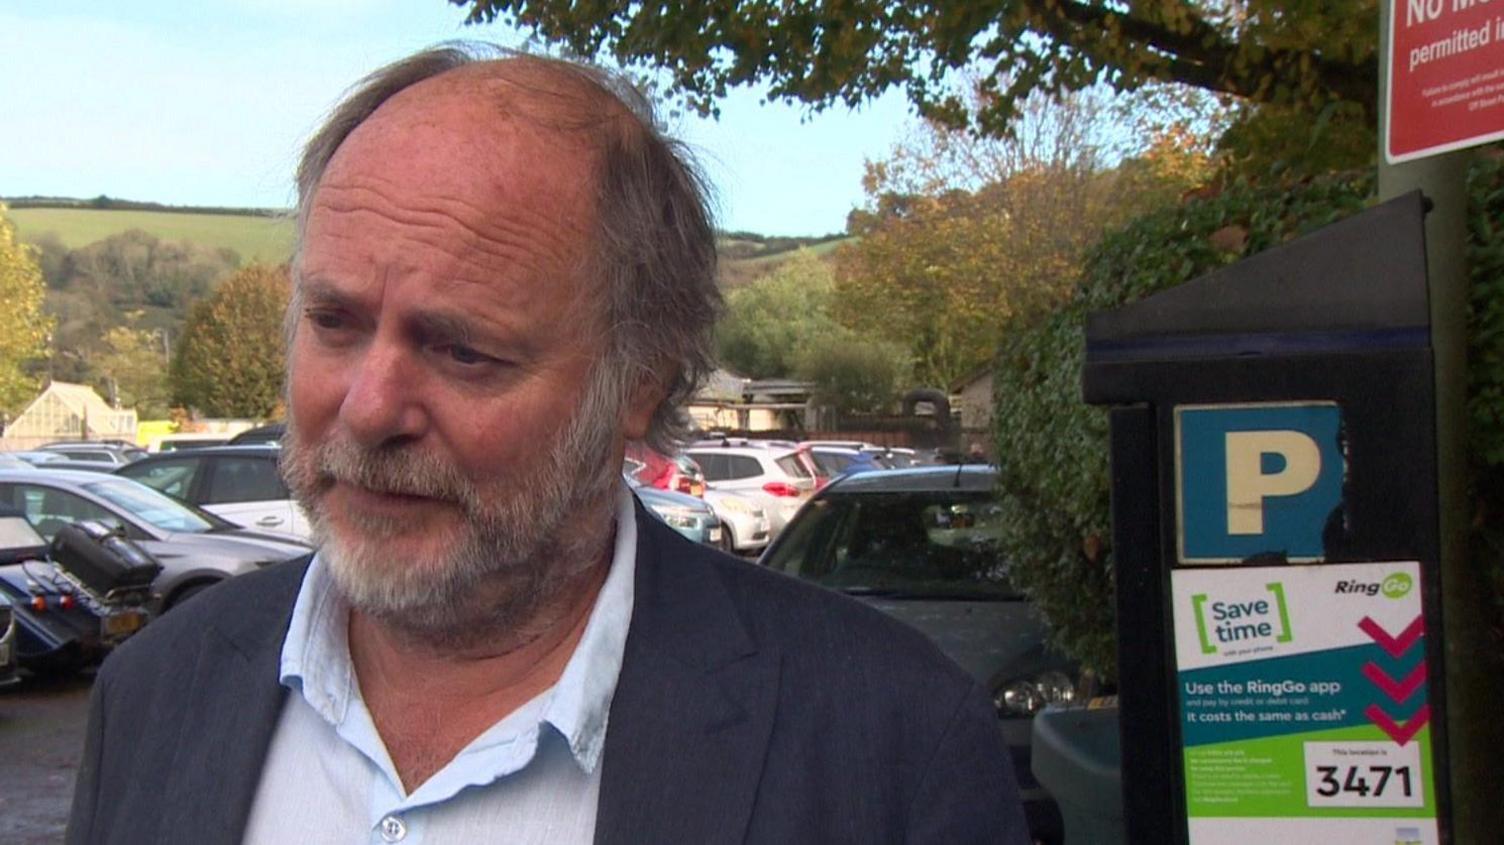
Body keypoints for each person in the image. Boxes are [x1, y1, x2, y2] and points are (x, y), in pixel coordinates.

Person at [66, 45, 1028, 845]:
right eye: (335, 321)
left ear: (638, 379)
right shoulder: (156, 693)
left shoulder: (888, 741)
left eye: (462, 349)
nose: (367, 409)